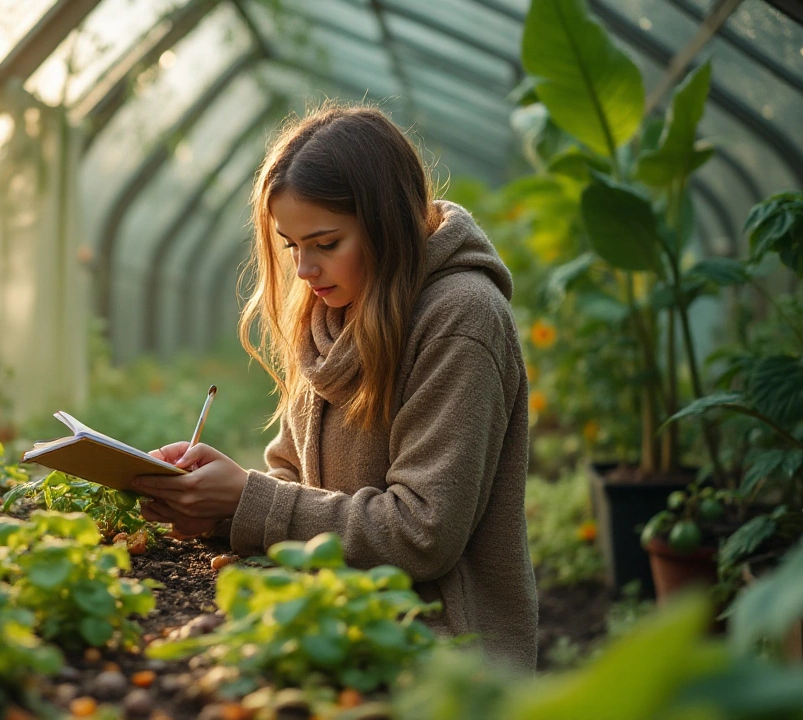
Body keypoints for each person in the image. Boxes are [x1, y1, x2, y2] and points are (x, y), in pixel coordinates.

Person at [132, 104, 537, 671]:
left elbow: (423, 532)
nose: (303, 269)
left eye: (325, 242)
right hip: (336, 618)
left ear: (387, 222)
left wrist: (248, 499)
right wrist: (213, 503)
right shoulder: (330, 315)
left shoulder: (461, 318)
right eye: (292, 245)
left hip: (439, 658)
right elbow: (294, 480)